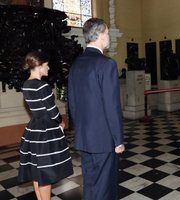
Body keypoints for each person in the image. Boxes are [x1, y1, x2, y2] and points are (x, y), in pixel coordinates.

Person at [68, 18, 125, 200]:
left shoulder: (76, 65)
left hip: (84, 138)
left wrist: (80, 131)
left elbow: (73, 104)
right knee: (104, 189)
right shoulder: (106, 64)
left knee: (91, 186)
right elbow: (112, 106)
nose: (109, 37)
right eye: (107, 33)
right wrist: (118, 140)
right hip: (103, 139)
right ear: (100, 35)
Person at [18, 51, 73, 200]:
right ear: (39, 66)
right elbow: (53, 111)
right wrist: (61, 122)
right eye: (47, 65)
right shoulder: (42, 86)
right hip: (46, 130)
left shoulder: (26, 85)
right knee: (46, 173)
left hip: (34, 128)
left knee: (37, 170)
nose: (48, 68)